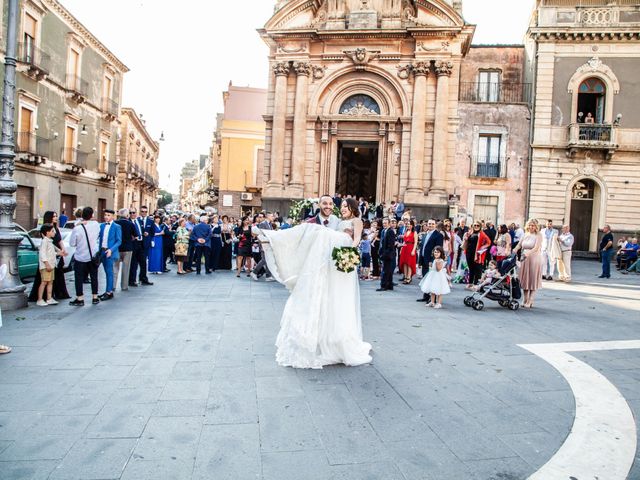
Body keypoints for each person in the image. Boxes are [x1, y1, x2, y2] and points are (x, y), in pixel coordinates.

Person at [259, 197, 372, 369]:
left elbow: (357, 239)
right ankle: (274, 238)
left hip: (343, 251)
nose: (342, 209)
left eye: (344, 206)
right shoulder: (339, 221)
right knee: (315, 230)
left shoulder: (356, 221)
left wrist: (349, 250)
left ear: (352, 207)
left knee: (318, 231)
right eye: (340, 206)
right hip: (332, 260)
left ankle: (273, 237)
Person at [28, 211, 70, 302]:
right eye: (54, 216)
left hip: (56, 254)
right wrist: (58, 252)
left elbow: (60, 240)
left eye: (56, 216)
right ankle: (42, 297)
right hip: (50, 255)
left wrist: (62, 250)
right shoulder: (45, 230)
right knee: (44, 279)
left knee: (57, 275)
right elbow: (46, 247)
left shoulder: (56, 228)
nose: (56, 218)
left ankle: (55, 294)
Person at [69, 206, 101, 306]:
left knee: (78, 278)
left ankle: (80, 298)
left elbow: (72, 243)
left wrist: (79, 223)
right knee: (94, 276)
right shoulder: (96, 225)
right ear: (92, 215)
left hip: (80, 256)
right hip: (93, 256)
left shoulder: (77, 228)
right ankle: (95, 297)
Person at [513, 219, 543, 308]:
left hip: (534, 258)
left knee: (533, 279)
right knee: (525, 279)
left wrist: (528, 253)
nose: (531, 227)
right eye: (530, 225)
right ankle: (525, 299)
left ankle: (530, 300)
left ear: (536, 227)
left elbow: (536, 247)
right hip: (524, 258)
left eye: (533, 225)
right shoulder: (525, 234)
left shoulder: (538, 235)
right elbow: (519, 244)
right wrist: (514, 250)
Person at [98, 209, 122, 301]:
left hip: (110, 252)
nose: (106, 217)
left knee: (109, 272)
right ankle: (107, 290)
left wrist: (111, 250)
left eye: (108, 215)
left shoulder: (117, 226)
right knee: (106, 272)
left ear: (112, 216)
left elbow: (119, 241)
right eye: (105, 215)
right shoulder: (102, 225)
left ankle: (109, 292)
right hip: (102, 251)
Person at [417, 219, 444, 302]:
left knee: (432, 280)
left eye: (432, 224)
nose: (431, 225)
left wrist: (433, 261)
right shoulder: (425, 234)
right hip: (424, 259)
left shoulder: (438, 235)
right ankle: (426, 296)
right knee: (425, 279)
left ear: (435, 225)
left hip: (431, 261)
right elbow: (422, 248)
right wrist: (420, 261)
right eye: (429, 224)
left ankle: (433, 299)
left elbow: (438, 249)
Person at [36, 223, 61, 306]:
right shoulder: (45, 242)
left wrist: (59, 254)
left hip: (51, 265)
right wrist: (46, 264)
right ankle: (39, 299)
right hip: (46, 266)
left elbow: (51, 253)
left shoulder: (49, 241)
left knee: (50, 282)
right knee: (44, 282)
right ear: (47, 232)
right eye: (52, 231)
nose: (54, 232)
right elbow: (42, 254)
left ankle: (49, 298)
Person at [129, 207, 154, 286]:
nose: (133, 214)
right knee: (134, 264)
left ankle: (143, 278)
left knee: (143, 263)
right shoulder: (129, 222)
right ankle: (132, 280)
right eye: (131, 213)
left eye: (134, 213)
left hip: (141, 244)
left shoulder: (139, 221)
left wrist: (145, 234)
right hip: (133, 244)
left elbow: (142, 230)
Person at [462, 222, 491, 289]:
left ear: (480, 226)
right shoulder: (470, 232)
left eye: (478, 225)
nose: (476, 226)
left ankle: (475, 284)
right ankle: (470, 283)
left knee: (477, 269)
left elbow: (489, 242)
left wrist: (483, 247)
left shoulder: (482, 234)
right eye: (474, 225)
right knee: (471, 268)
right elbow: (466, 240)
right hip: (469, 252)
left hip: (477, 254)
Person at [114, 208, 135, 292]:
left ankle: (113, 286)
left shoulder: (115, 223)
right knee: (125, 268)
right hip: (127, 248)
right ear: (127, 215)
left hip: (117, 248)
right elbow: (136, 235)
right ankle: (124, 286)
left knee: (115, 267)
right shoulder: (130, 224)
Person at [251, 212, 275, 281]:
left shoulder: (269, 224)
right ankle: (254, 272)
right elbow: (260, 235)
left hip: (268, 244)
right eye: (271, 216)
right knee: (264, 260)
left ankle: (268, 276)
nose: (273, 217)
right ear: (268, 217)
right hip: (263, 244)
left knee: (267, 260)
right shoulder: (263, 224)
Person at [378, 217, 396, 292]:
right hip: (384, 253)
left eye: (385, 223)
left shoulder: (390, 231)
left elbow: (391, 245)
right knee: (387, 270)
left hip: (389, 254)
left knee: (385, 271)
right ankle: (389, 285)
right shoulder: (383, 231)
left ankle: (384, 286)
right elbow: (382, 243)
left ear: (389, 223)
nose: (384, 224)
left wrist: (385, 254)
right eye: (383, 223)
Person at [398, 219, 418, 284]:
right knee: (405, 263)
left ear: (412, 225)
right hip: (405, 248)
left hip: (411, 248)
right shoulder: (406, 232)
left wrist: (413, 250)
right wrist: (401, 249)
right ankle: (406, 276)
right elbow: (404, 241)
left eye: (409, 224)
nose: (408, 225)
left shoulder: (414, 232)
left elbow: (415, 243)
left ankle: (409, 277)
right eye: (407, 224)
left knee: (409, 264)